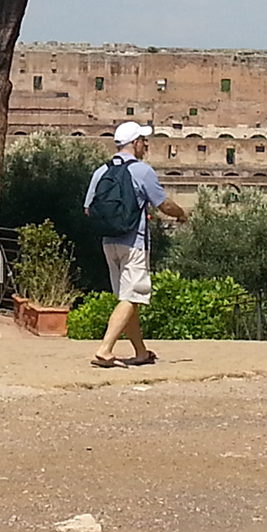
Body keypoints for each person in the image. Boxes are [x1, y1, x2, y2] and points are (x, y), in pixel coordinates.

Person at [85, 121, 188, 367]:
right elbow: (163, 204)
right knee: (133, 296)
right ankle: (105, 349)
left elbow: (88, 209)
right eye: (143, 140)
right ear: (135, 143)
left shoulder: (101, 171)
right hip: (134, 242)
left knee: (126, 297)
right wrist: (182, 214)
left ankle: (140, 352)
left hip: (108, 242)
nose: (146, 145)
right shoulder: (142, 171)